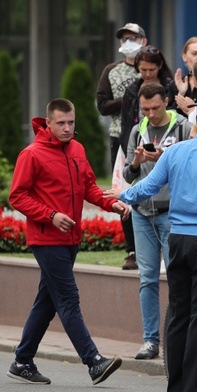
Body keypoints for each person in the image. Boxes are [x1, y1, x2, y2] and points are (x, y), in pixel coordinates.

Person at [105, 87, 197, 392]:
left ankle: (178, 383)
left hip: (179, 241)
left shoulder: (174, 152)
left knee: (179, 313)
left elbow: (147, 186)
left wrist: (122, 195)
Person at [7, 98, 129, 386]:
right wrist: (50, 215)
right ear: (47, 123)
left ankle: (22, 360)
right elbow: (17, 196)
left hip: (71, 237)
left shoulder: (77, 149)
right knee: (68, 300)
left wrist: (112, 204)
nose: (66, 128)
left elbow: (87, 187)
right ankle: (94, 361)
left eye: (70, 122)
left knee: (47, 302)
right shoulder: (32, 154)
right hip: (47, 238)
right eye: (60, 123)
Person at [122, 82, 192, 360]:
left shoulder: (183, 127)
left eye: (155, 107)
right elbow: (128, 176)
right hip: (142, 214)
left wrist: (166, 158)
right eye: (145, 109)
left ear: (166, 102)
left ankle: (178, 339)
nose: (150, 113)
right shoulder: (137, 130)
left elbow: (191, 167)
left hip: (172, 213)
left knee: (177, 278)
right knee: (147, 279)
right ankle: (150, 340)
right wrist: (138, 163)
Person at [96, 22, 146, 270]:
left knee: (151, 187)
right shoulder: (111, 71)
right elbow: (103, 105)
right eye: (124, 38)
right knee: (124, 191)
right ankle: (132, 250)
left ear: (143, 41)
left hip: (150, 136)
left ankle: (152, 245)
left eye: (133, 38)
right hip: (120, 138)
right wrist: (129, 98)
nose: (128, 42)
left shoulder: (149, 69)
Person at [120, 45, 178, 154]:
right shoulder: (131, 91)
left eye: (152, 70)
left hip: (168, 144)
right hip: (138, 146)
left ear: (160, 66)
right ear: (137, 67)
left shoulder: (171, 87)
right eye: (143, 70)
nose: (147, 74)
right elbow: (125, 124)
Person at [173, 37, 197, 115]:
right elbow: (168, 115)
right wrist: (181, 94)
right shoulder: (175, 84)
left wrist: (193, 110)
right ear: (184, 56)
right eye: (194, 54)